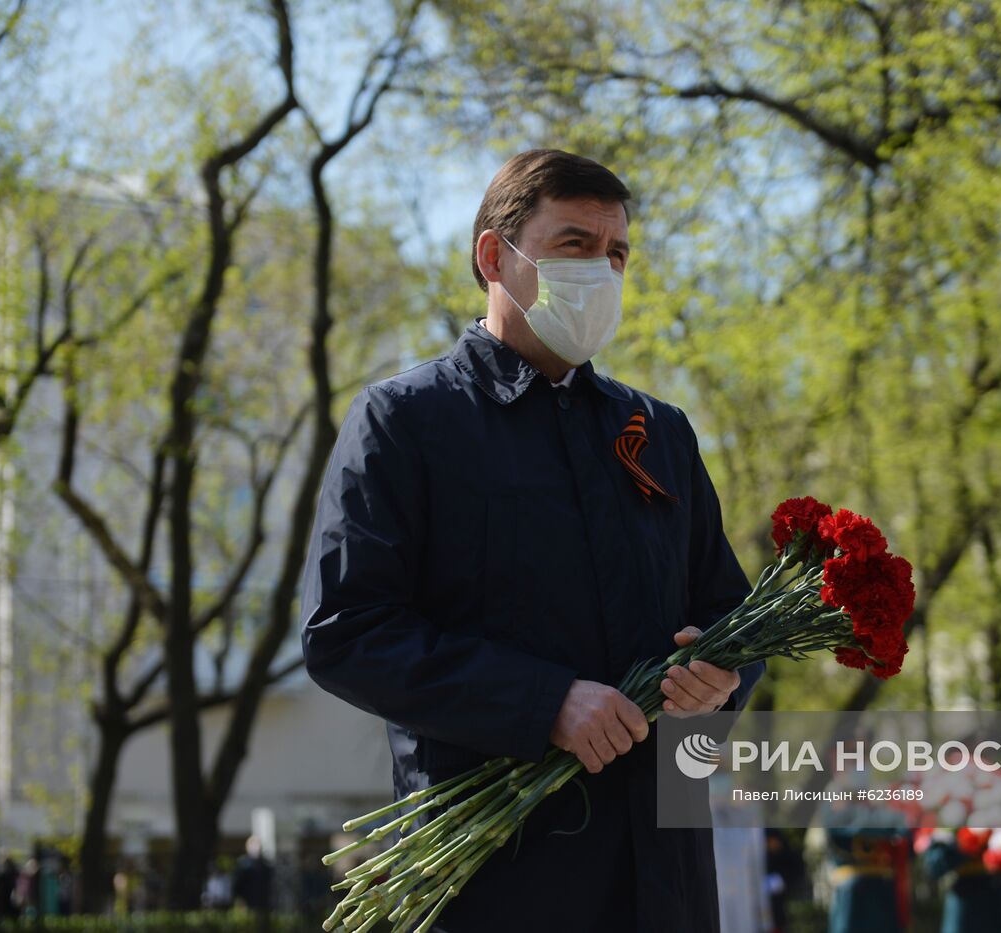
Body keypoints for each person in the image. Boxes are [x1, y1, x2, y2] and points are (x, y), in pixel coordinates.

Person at [300, 148, 765, 932]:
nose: (603, 270)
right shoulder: (406, 423)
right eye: (575, 244)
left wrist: (719, 679)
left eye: (617, 252)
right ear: (495, 256)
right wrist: (544, 702)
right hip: (499, 882)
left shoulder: (659, 433)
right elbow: (345, 631)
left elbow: (732, 621)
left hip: (667, 882)